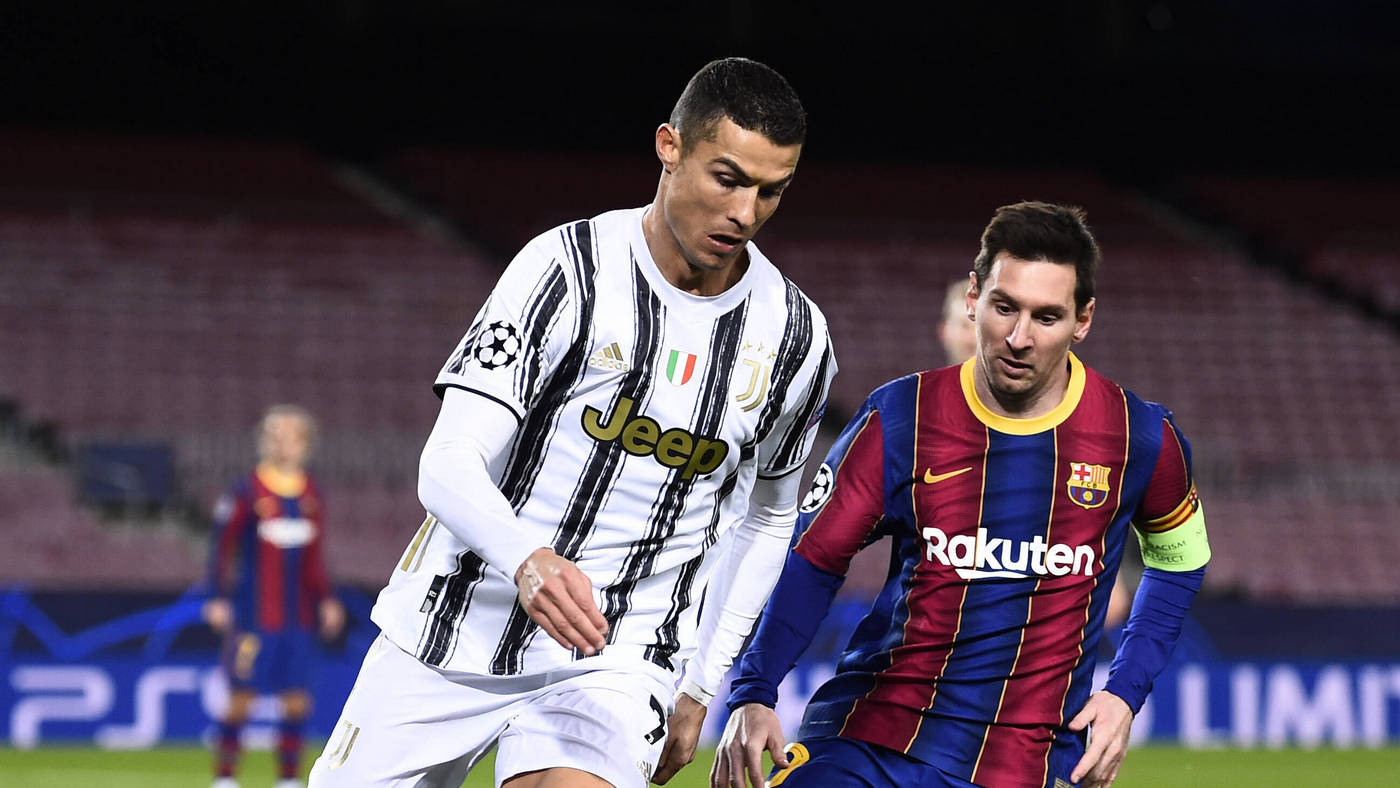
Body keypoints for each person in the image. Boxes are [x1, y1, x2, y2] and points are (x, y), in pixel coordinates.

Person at [310, 56, 835, 788]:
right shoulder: (564, 271)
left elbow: (769, 518)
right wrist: (527, 558)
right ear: (670, 146)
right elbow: (448, 460)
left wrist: (700, 685)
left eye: (770, 191)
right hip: (450, 629)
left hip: (619, 658)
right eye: (727, 179)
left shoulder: (795, 336)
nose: (745, 213)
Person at [714, 202, 1211, 788]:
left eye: (1047, 317)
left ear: (1083, 320)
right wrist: (754, 690)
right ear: (973, 297)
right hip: (873, 742)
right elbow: (814, 559)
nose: (1019, 338)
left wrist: (1125, 691)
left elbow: (1181, 562)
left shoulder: (1140, 436)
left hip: (1028, 762)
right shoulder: (901, 417)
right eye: (1005, 307)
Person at [205, 404, 346, 788]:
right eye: (277, 437)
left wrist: (327, 598)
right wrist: (216, 596)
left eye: (292, 438)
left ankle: (287, 779)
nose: (284, 445)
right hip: (255, 615)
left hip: (299, 617)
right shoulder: (246, 490)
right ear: (264, 442)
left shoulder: (311, 493)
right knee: (241, 699)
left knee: (297, 701)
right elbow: (221, 547)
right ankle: (225, 778)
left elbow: (315, 558)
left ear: (306, 444)